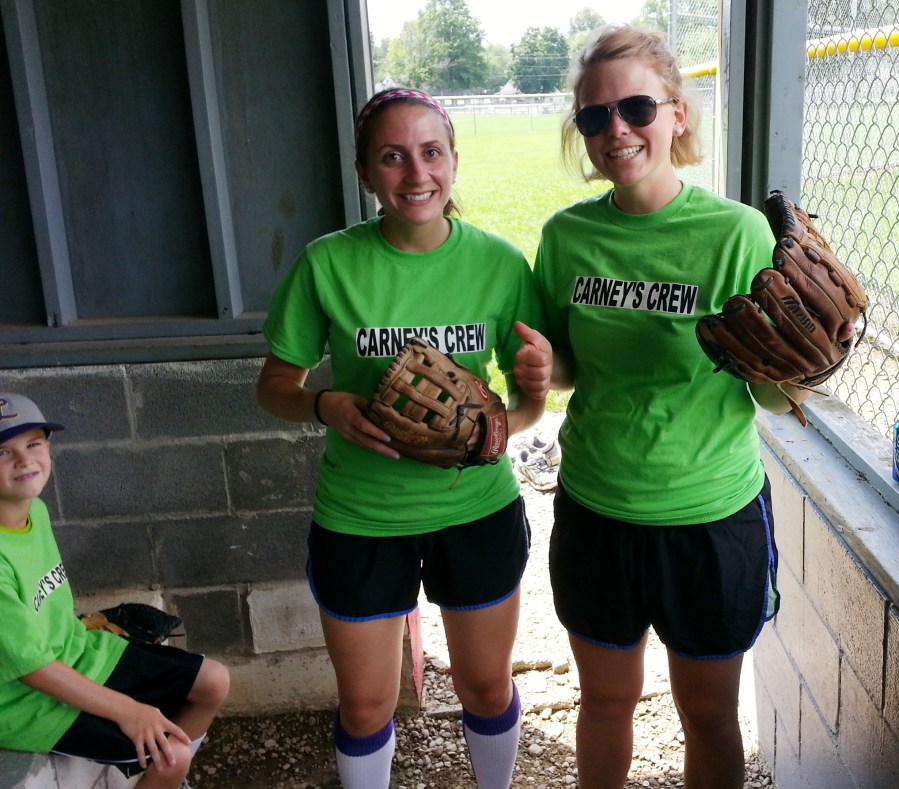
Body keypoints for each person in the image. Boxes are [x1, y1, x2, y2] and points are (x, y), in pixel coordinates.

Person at [511, 25, 858, 789]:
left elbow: (767, 387)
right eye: (595, 117)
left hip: (708, 515)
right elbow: (570, 363)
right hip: (599, 507)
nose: (617, 130)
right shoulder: (567, 237)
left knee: (707, 716)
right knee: (604, 702)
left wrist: (808, 367)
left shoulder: (735, 234)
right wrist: (544, 367)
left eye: (636, 107)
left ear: (677, 114)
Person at [256, 87, 547, 789]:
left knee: (484, 685)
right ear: (365, 173)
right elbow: (274, 386)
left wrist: (505, 420)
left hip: (474, 508)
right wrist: (325, 405)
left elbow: (529, 407)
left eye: (430, 152)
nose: (415, 174)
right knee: (364, 701)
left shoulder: (501, 264)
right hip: (361, 516)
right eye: (391, 157)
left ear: (453, 160)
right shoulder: (329, 262)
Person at [0, 392, 230, 789]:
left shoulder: (33, 510)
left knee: (213, 681)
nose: (24, 461)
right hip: (25, 701)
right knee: (170, 754)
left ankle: (160, 780)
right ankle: (163, 774)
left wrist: (86, 628)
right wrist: (128, 710)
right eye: (3, 452)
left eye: (33, 444)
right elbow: (31, 668)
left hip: (76, 654)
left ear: (49, 447)